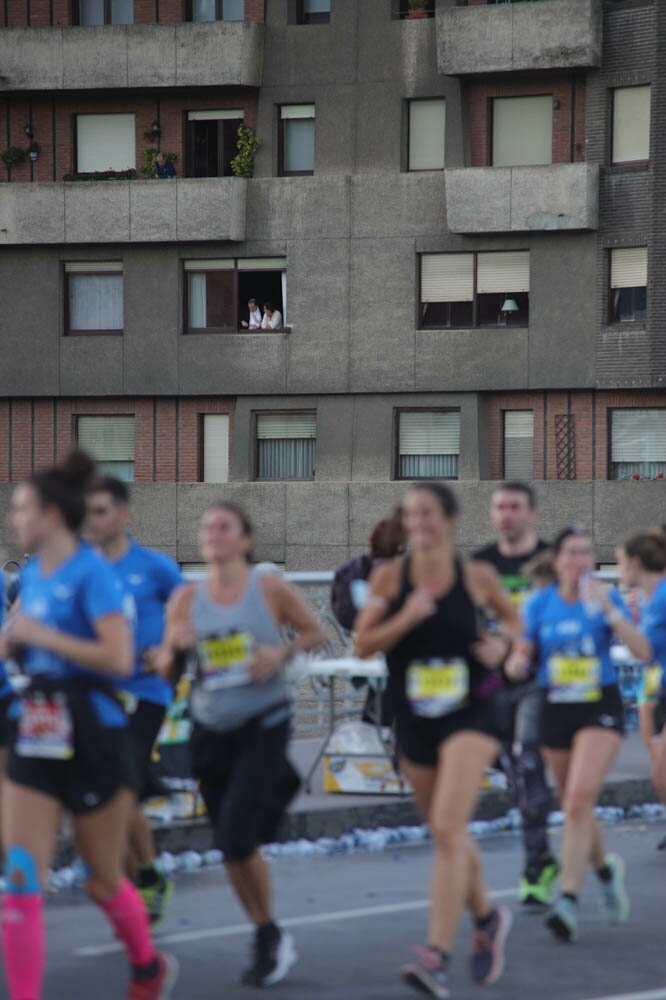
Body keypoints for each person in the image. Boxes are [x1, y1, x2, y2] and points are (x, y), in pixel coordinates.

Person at [0, 450, 176, 1000]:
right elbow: (18, 637)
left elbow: (119, 659)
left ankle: (146, 966)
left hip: (94, 728)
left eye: (20, 509)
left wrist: (42, 637)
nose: (13, 520)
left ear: (50, 514)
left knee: (102, 879)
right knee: (22, 878)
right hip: (37, 724)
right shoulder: (32, 572)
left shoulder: (92, 572)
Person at [354, 482, 521, 998]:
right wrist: (408, 615)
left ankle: (437, 956)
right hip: (415, 716)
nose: (417, 522)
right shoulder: (389, 576)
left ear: (448, 519)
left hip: (473, 712)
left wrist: (504, 647)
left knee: (450, 827)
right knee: (445, 833)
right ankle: (488, 917)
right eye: (410, 514)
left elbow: (516, 624)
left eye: (426, 512)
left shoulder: (475, 575)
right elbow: (363, 645)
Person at [158, 501, 324, 988]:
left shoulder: (267, 588)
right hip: (211, 729)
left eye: (223, 526)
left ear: (245, 539)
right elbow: (169, 675)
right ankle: (266, 931)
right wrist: (176, 648)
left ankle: (266, 932)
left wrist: (280, 652)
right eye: (206, 525)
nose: (213, 532)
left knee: (235, 835)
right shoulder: (185, 600)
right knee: (231, 846)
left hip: (263, 722)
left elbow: (313, 631)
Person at [507, 526, 649, 943]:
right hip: (555, 707)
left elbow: (642, 652)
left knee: (576, 800)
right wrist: (515, 663)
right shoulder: (539, 604)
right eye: (573, 553)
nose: (582, 560)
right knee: (577, 806)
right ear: (557, 560)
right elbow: (523, 654)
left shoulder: (605, 599)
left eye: (587, 552)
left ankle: (567, 900)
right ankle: (605, 871)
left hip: (598, 706)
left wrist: (612, 611)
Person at [85, 476, 183, 928]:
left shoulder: (155, 566)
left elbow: (188, 616)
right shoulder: (80, 568)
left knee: (122, 788)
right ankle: (138, 883)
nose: (92, 519)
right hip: (96, 693)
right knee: (111, 795)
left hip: (146, 692)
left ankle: (144, 877)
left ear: (123, 514)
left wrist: (166, 651)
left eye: (101, 510)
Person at [474, 483, 558, 907]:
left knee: (526, 762)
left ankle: (535, 864)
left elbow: (568, 616)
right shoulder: (480, 564)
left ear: (532, 514)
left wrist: (519, 646)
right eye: (499, 507)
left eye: (515, 507)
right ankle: (546, 850)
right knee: (509, 767)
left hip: (538, 680)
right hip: (492, 683)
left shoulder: (550, 562)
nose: (506, 514)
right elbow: (466, 620)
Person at [615, 531, 666, 812]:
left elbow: (644, 650)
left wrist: (612, 613)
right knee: (658, 772)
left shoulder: (662, 597)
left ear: (635, 563)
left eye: (620, 563)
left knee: (661, 772)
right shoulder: (646, 599)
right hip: (656, 684)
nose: (619, 570)